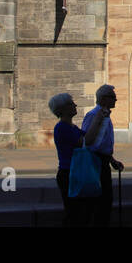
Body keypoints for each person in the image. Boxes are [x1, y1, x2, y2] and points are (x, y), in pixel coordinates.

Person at [80, 84, 123, 226]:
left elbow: (102, 142)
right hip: (95, 163)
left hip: (103, 161)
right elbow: (89, 141)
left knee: (106, 200)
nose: (116, 100)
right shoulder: (93, 115)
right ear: (104, 99)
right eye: (113, 97)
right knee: (99, 202)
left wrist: (111, 159)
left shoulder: (105, 115)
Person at [48, 93, 87, 226]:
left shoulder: (72, 126)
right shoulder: (62, 127)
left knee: (79, 211)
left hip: (75, 172)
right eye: (71, 104)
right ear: (63, 109)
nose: (75, 105)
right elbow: (84, 141)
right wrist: (99, 118)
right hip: (68, 173)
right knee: (74, 213)